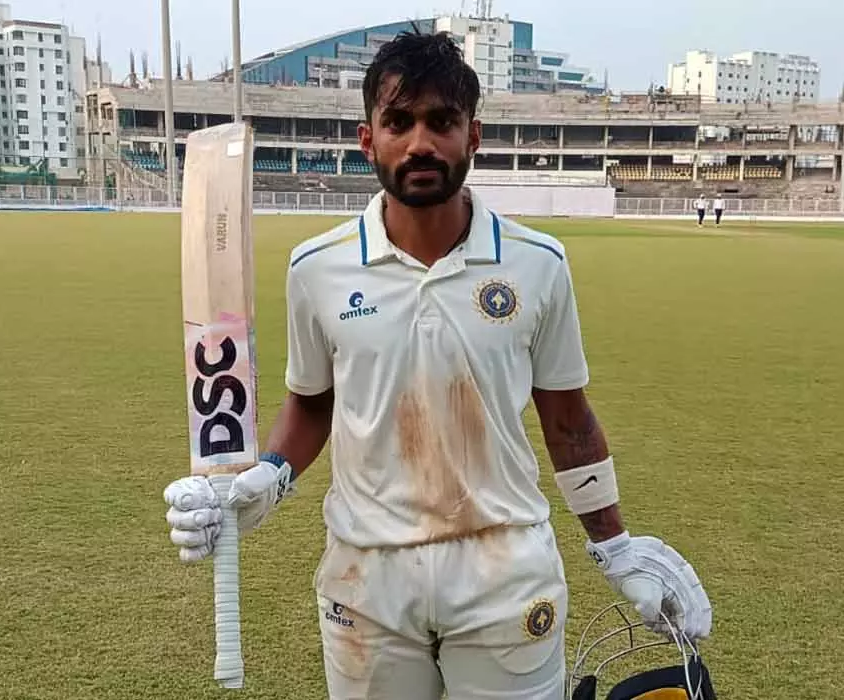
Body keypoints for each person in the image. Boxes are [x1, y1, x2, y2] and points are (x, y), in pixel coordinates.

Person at [163, 30, 712, 700]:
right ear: (368, 140)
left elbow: (568, 421)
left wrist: (615, 547)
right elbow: (313, 401)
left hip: (506, 573)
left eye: (441, 121)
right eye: (398, 122)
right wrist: (268, 478)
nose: (420, 142)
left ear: (472, 135)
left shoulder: (538, 264)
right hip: (366, 579)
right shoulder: (317, 268)